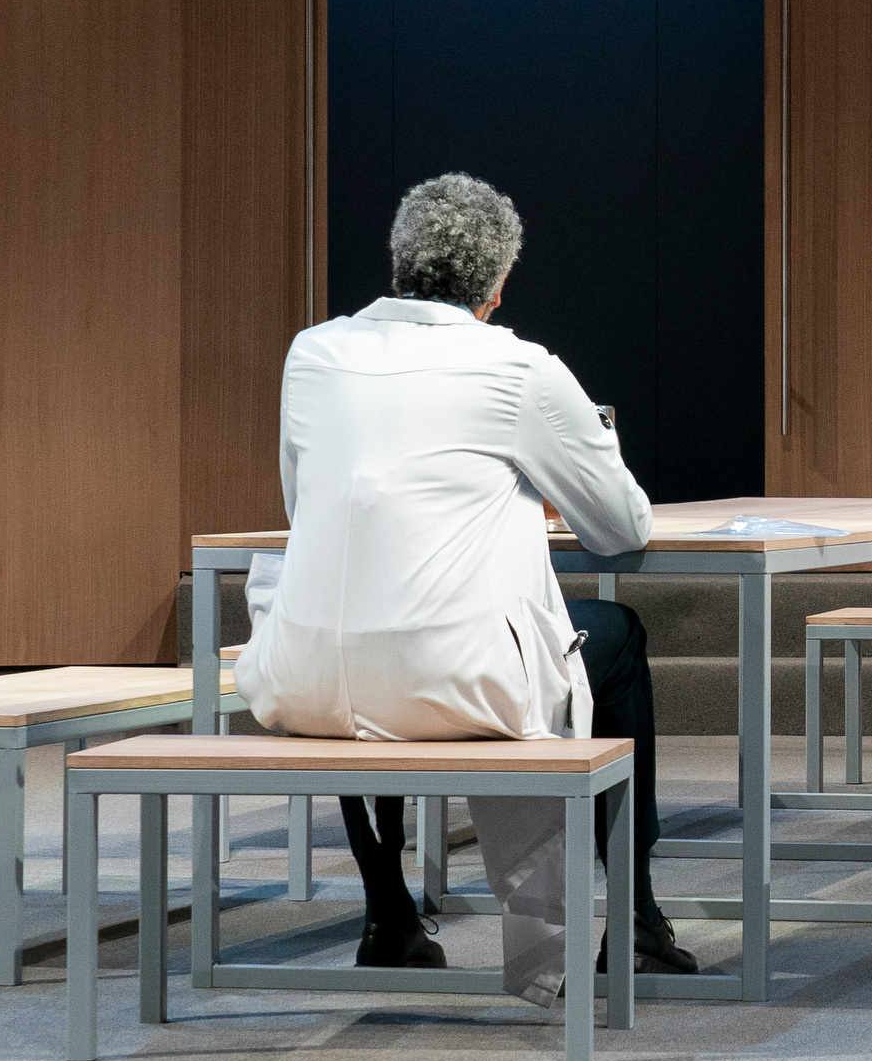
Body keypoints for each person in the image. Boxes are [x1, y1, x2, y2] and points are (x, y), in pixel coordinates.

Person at [234, 172, 697, 983]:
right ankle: (635, 916)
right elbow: (622, 526)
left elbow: (303, 504)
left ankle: (388, 914)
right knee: (617, 637)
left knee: (359, 637)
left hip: (303, 678)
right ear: (498, 284)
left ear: (397, 263)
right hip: (456, 677)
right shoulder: (518, 367)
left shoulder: (312, 353)